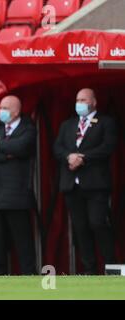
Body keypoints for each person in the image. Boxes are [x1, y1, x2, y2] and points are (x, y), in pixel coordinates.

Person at [54, 88, 117, 275]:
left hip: (96, 184)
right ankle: (89, 272)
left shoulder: (106, 122)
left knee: (97, 223)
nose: (79, 103)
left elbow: (108, 146)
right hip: (73, 184)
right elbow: (57, 147)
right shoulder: (68, 125)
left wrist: (83, 157)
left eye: (83, 99)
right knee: (80, 228)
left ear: (94, 102)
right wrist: (69, 157)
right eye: (77, 99)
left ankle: (111, 268)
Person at [0, 95, 37, 275]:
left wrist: (0, 146)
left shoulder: (27, 129)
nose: (1, 111)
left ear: (16, 111)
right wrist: (7, 153)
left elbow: (22, 147)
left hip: (17, 196)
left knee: (23, 241)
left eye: (5, 107)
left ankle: (29, 277)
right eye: (0, 107)